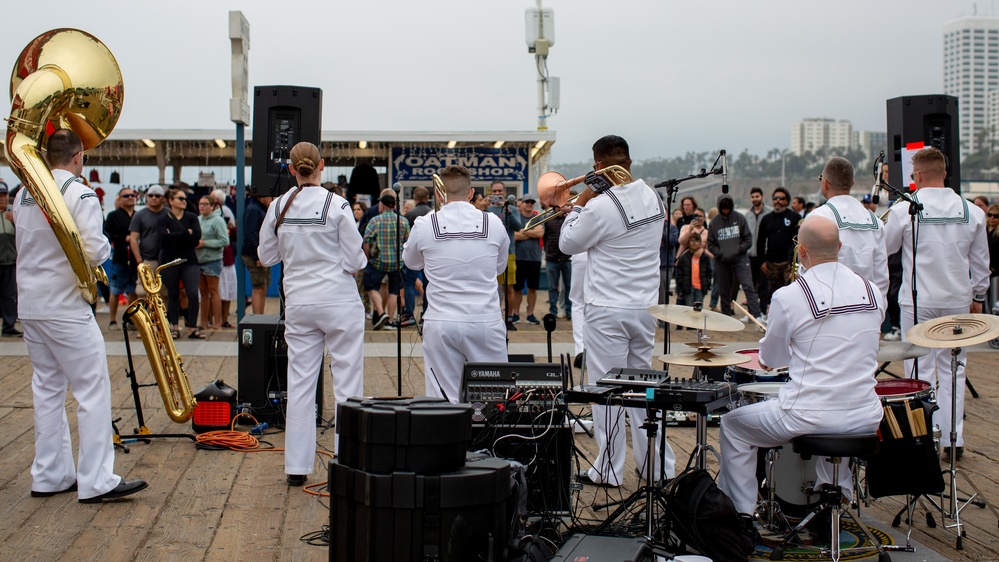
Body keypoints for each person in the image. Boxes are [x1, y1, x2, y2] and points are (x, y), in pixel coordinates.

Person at [717, 215, 884, 534]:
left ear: (801, 251)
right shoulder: (873, 291)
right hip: (866, 414)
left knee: (733, 425)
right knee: (836, 416)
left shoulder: (789, 296)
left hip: (809, 415)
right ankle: (832, 504)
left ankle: (741, 518)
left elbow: (772, 358)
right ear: (839, 246)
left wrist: (777, 352)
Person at [17, 129, 146, 502]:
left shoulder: (25, 192)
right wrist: (106, 246)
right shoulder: (80, 192)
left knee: (47, 388)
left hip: (31, 304)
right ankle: (96, 479)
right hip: (65, 305)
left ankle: (50, 474)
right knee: (91, 388)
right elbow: (94, 251)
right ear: (78, 157)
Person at [560, 135, 674, 486]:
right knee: (642, 389)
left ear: (598, 167)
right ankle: (656, 465)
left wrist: (579, 203)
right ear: (629, 161)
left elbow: (567, 243)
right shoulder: (653, 196)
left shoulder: (599, 205)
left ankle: (609, 468)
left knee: (605, 391)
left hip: (607, 308)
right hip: (644, 307)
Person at [257, 142, 366, 485]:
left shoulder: (278, 206)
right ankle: (346, 464)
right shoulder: (339, 204)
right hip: (338, 301)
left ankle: (296, 467)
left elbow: (266, 256)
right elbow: (356, 260)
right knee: (347, 383)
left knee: (301, 383)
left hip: (300, 303)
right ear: (322, 165)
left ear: (291, 169)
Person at [885, 147, 989, 459]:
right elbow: (981, 264)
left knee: (919, 368)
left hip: (919, 300)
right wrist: (978, 296)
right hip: (957, 298)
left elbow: (886, 248)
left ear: (916, 176)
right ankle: (952, 439)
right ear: (945, 172)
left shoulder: (906, 209)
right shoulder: (974, 211)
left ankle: (923, 437)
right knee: (954, 368)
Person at [402, 165, 509, 402]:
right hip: (485, 320)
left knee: (444, 402)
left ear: (441, 194)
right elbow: (499, 267)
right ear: (471, 193)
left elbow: (410, 263)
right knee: (493, 400)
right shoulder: (493, 222)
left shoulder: (425, 223)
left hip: (442, 321)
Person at [808, 157, 889, 299]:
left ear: (825, 184)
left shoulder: (817, 217)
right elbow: (881, 277)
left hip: (829, 305)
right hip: (867, 304)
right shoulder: (874, 220)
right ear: (852, 183)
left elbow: (808, 270)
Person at [707, 193, 764, 325]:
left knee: (748, 286)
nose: (726, 210)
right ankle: (726, 316)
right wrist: (720, 253)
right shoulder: (714, 223)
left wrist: (738, 250)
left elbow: (748, 239)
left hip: (740, 259)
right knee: (724, 290)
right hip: (722, 260)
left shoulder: (739, 218)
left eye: (728, 208)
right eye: (723, 208)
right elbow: (710, 244)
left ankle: (757, 315)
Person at [158, 187, 203, 339]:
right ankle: (174, 326)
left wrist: (175, 236)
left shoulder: (191, 217)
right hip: (170, 261)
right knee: (173, 294)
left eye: (185, 199)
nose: (184, 201)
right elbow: (164, 239)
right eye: (181, 199)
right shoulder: (163, 219)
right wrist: (185, 233)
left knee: (192, 293)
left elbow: (196, 237)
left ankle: (192, 327)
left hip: (189, 261)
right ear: (171, 201)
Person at [363, 192, 410, 329]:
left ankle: (380, 311)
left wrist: (367, 258)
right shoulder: (403, 221)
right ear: (394, 206)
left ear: (382, 205)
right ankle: (389, 320)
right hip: (397, 262)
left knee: (370, 286)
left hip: (378, 262)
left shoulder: (375, 221)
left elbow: (366, 240)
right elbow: (408, 241)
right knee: (394, 291)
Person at [487, 181, 522, 326]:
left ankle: (509, 317)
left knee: (508, 286)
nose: (497, 194)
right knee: (491, 286)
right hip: (490, 253)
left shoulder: (512, 209)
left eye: (499, 191)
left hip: (509, 252)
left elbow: (518, 227)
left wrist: (508, 212)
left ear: (505, 192)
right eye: (494, 191)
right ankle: (493, 315)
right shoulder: (487, 209)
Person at [103, 187, 138, 331]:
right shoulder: (113, 216)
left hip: (135, 260)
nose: (130, 197)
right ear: (120, 199)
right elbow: (108, 234)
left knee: (133, 290)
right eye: (126, 195)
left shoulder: (138, 215)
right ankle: (112, 320)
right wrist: (125, 238)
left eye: (132, 195)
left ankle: (132, 319)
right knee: (115, 290)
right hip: (120, 258)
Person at [756, 187, 800, 303]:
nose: (778, 201)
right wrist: (762, 262)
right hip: (772, 265)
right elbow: (760, 242)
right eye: (775, 198)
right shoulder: (766, 219)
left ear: (787, 201)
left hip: (788, 264)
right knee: (774, 295)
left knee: (790, 294)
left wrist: (794, 263)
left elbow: (798, 242)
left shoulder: (795, 218)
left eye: (781, 198)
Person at [196, 195, 229, 330]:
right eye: (200, 204)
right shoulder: (197, 220)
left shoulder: (218, 221)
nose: (202, 206)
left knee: (214, 291)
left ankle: (217, 322)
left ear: (212, 206)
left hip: (212, 260)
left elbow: (224, 241)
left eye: (205, 204)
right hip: (199, 260)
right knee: (203, 292)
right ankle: (203, 322)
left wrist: (204, 243)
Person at [129, 184, 167, 296]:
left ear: (163, 199)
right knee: (142, 292)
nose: (154, 198)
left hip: (165, 260)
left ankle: (163, 314)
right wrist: (139, 260)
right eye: (151, 195)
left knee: (164, 293)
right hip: (147, 259)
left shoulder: (169, 214)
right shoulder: (139, 215)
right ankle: (148, 313)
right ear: (147, 197)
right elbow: (133, 238)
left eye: (157, 195)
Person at [511, 194, 543, 324]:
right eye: (526, 202)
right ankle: (516, 314)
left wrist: (523, 231)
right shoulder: (516, 217)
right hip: (518, 258)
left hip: (534, 259)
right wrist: (531, 233)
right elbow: (515, 236)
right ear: (522, 204)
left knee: (532, 288)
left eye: (531, 202)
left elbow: (540, 233)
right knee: (517, 288)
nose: (529, 204)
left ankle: (530, 314)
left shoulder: (537, 218)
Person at [241, 193, 273, 315]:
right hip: (255, 255)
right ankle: (257, 317)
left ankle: (260, 316)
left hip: (261, 254)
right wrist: (257, 256)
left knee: (263, 287)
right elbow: (251, 235)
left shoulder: (259, 209)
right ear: (261, 196)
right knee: (259, 287)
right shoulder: (254, 210)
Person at [211, 189, 237, 329]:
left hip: (225, 257)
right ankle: (214, 320)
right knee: (214, 291)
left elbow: (231, 233)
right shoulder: (205, 216)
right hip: (214, 257)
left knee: (225, 289)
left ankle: (223, 319)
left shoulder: (226, 212)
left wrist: (230, 229)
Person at [746, 187, 772, 319]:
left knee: (763, 285)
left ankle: (762, 312)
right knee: (750, 285)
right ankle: (751, 312)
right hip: (750, 255)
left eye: (757, 196)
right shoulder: (748, 214)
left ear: (762, 197)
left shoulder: (769, 213)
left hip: (764, 256)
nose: (755, 199)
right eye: (752, 197)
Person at [543, 210, 572, 319]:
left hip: (566, 258)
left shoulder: (568, 219)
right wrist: (547, 251)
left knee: (568, 287)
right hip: (552, 258)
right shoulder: (548, 219)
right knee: (552, 287)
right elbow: (544, 237)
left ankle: (568, 311)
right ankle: (553, 311)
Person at [674, 235, 711, 307]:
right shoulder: (684, 257)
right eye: (691, 240)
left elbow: (709, 272)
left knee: (699, 309)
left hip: (700, 288)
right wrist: (682, 286)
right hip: (688, 288)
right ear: (688, 243)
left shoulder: (704, 257)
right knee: (689, 308)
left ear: (700, 243)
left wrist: (707, 284)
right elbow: (679, 273)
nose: (694, 243)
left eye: (697, 240)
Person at [987, 204, 999, 314]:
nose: (992, 218)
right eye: (989, 215)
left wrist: (995, 267)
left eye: (995, 216)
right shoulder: (984, 230)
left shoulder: (997, 233)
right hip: (985, 270)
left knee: (994, 299)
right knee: (984, 299)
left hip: (995, 271)